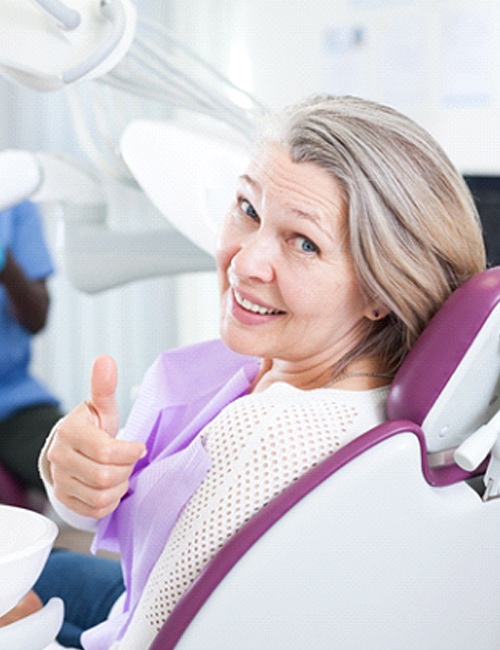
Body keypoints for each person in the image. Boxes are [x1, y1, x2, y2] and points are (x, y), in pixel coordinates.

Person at [4, 95, 486, 648]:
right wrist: (76, 479)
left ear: (381, 287)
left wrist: (28, 637)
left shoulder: (270, 436)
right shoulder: (293, 372)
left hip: (136, 629)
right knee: (57, 570)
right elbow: (119, 519)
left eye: (304, 242)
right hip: (133, 597)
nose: (244, 261)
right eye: (248, 208)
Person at [0, 199, 62, 494]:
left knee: (75, 464)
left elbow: (37, 316)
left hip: (13, 401)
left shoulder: (13, 201)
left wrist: (5, 263)